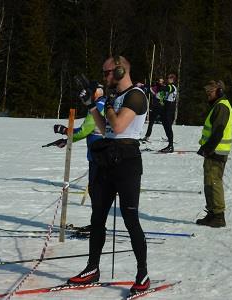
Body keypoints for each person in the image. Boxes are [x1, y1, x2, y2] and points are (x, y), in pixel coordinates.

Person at [67, 55, 150, 295]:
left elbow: (121, 126)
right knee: (97, 216)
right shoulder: (117, 96)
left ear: (121, 71)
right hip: (108, 159)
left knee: (130, 218)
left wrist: (103, 99)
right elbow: (106, 128)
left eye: (107, 72)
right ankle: (92, 268)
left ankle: (142, 273)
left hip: (127, 162)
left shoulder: (136, 95)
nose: (105, 78)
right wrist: (92, 107)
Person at [53, 92, 105, 203]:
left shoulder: (97, 106)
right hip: (103, 153)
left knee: (96, 191)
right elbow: (90, 131)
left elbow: (84, 131)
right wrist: (67, 141)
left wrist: (65, 131)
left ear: (95, 92)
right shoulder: (104, 102)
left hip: (98, 154)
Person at [196, 80, 232, 228]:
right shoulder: (218, 106)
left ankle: (218, 216)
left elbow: (218, 132)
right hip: (213, 151)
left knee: (214, 183)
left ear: (219, 91)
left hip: (216, 152)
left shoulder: (221, 107)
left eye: (210, 92)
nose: (208, 95)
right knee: (209, 183)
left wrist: (207, 149)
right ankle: (212, 213)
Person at [140, 77, 166, 142]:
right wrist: (143, 86)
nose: (160, 82)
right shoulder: (156, 87)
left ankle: (169, 137)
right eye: (159, 81)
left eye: (161, 81)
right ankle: (147, 136)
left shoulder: (164, 87)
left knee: (166, 123)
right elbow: (149, 89)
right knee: (151, 122)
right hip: (156, 107)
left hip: (162, 107)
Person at [158, 73, 178, 153]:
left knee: (168, 128)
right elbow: (162, 92)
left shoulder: (172, 86)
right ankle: (170, 145)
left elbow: (165, 88)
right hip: (167, 107)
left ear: (173, 79)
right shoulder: (169, 86)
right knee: (166, 127)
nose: (167, 79)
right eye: (167, 78)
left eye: (169, 78)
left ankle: (170, 145)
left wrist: (160, 84)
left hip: (170, 108)